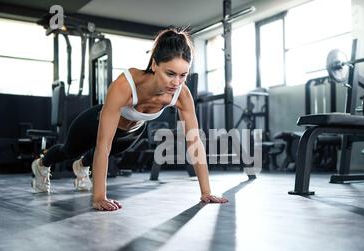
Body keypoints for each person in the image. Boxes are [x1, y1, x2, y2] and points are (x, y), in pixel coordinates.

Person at [31, 27, 228, 211]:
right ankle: (41, 164)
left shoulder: (182, 94)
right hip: (94, 123)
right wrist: (99, 197)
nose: (176, 82)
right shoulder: (125, 85)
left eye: (183, 75)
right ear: (154, 65)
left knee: (103, 154)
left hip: (131, 132)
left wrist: (206, 192)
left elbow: (194, 141)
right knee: (69, 150)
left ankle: (82, 166)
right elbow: (103, 144)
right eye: (170, 74)